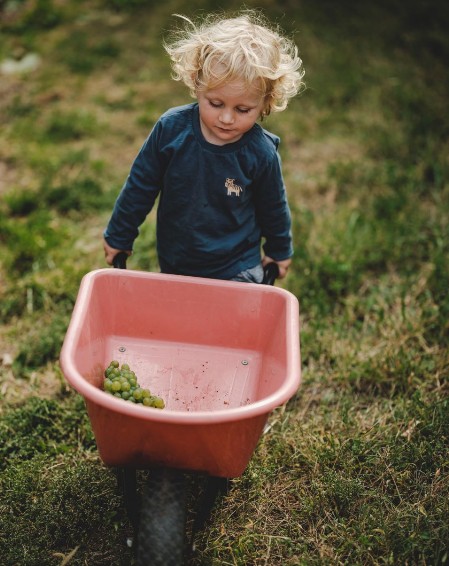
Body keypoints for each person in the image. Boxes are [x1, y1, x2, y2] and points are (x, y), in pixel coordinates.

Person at [103, 10, 305, 283]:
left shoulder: (260, 153)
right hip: (178, 257)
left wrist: (279, 250)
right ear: (197, 83)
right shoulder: (171, 130)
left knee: (231, 323)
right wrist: (119, 235)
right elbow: (141, 185)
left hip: (237, 264)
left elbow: (274, 206)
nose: (226, 118)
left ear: (265, 103)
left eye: (243, 109)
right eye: (216, 103)